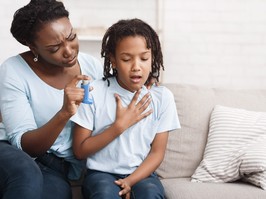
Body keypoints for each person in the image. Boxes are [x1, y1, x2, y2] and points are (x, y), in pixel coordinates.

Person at [0, 0, 103, 198]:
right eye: (55, 48)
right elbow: (24, 145)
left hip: (57, 166)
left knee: (58, 193)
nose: (69, 50)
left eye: (71, 37)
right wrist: (64, 113)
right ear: (33, 47)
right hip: (15, 153)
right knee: (26, 174)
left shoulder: (91, 66)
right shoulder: (13, 70)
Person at [71, 18, 181, 199]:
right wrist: (119, 126)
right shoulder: (94, 91)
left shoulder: (162, 97)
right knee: (105, 195)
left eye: (144, 58)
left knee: (150, 194)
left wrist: (130, 181)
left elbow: (157, 153)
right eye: (126, 59)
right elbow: (80, 150)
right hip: (101, 174)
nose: (136, 67)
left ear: (153, 58)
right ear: (113, 60)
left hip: (142, 174)